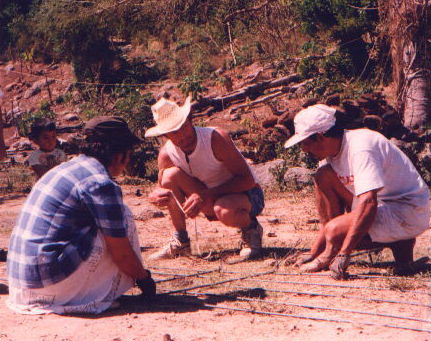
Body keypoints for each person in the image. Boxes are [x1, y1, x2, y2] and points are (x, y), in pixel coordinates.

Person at [7, 116, 156, 314]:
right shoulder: (100, 182)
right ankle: (94, 296)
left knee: (106, 222)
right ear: (121, 155)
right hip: (50, 287)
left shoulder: (67, 168)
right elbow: (120, 250)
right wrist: (144, 279)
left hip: (21, 287)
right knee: (124, 218)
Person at [284, 104, 430, 279]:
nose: (304, 150)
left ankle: (335, 250)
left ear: (321, 136)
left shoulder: (361, 147)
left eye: (305, 143)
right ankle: (399, 244)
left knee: (334, 231)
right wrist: (314, 251)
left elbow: (369, 202)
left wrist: (344, 253)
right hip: (385, 207)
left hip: (407, 210)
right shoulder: (330, 154)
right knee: (323, 176)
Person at [145, 96, 265, 261]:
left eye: (182, 127)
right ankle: (181, 240)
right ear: (165, 135)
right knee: (168, 175)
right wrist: (155, 196)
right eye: (173, 132)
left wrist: (204, 195)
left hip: (247, 195)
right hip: (208, 197)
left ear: (190, 120)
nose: (181, 137)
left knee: (224, 210)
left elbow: (247, 180)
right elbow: (163, 189)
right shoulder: (167, 154)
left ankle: (251, 228)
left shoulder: (215, 138)